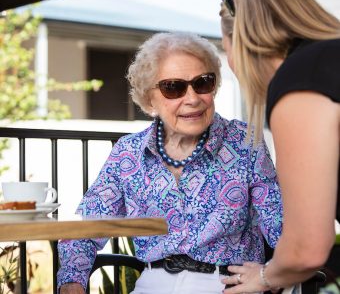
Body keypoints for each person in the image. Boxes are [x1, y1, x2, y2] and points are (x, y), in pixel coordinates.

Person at [57, 32, 282, 294]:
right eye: (173, 87)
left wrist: (271, 275)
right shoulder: (128, 153)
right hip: (153, 283)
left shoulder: (244, 143)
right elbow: (89, 226)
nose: (192, 98)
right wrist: (72, 281)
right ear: (149, 98)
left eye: (202, 83)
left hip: (225, 285)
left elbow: (282, 227)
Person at [219, 0, 340, 293]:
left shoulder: (300, 79)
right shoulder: (328, 58)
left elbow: (306, 247)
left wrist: (264, 276)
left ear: (240, 42)